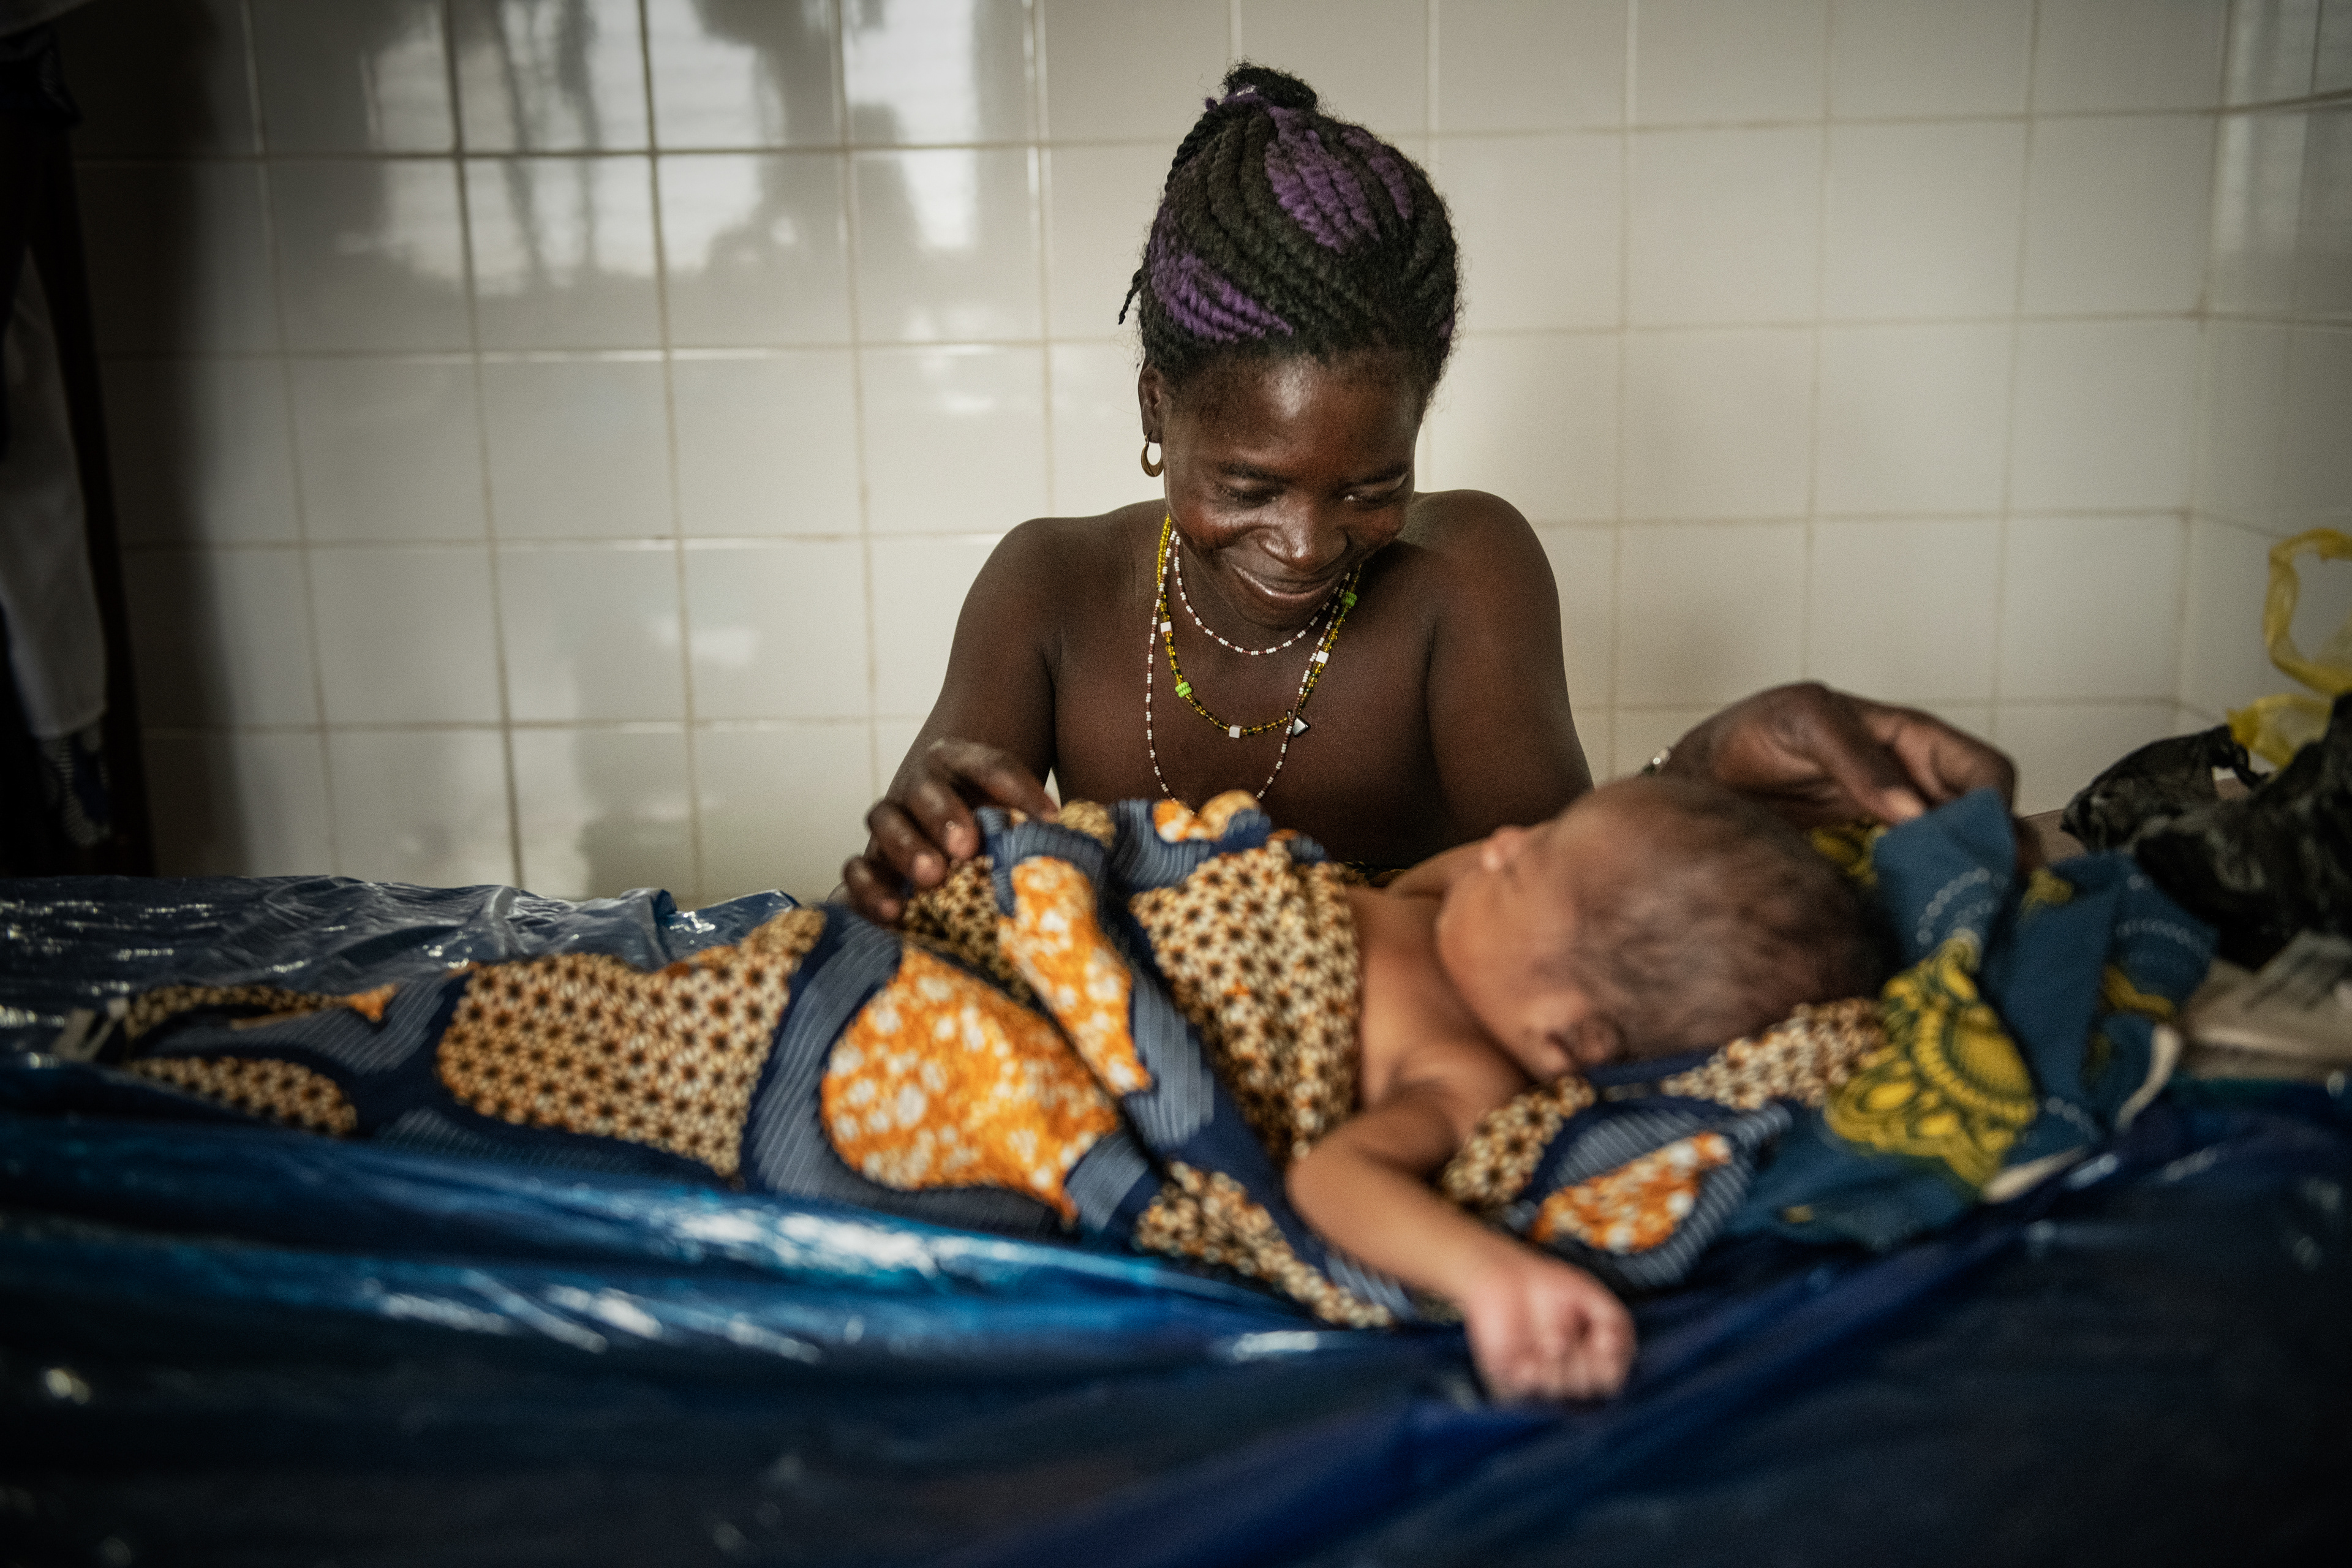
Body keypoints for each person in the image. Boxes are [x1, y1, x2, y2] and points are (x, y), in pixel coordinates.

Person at [843, 64, 2013, 922]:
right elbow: (916, 903)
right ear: (1158, 413)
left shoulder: (1465, 577)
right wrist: (921, 852)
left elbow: (1564, 890)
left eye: (1371, 485)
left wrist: (1699, 779)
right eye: (1250, 485)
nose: (1307, 544)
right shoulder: (1046, 590)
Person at [1292, 773, 1883, 1400]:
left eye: (1517, 871)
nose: (1501, 842)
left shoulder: (1463, 1075)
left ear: (1565, 1038)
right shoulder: (1458, 916)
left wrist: (1485, 1273)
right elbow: (1421, 884)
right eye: (1538, 837)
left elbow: (1334, 1177)